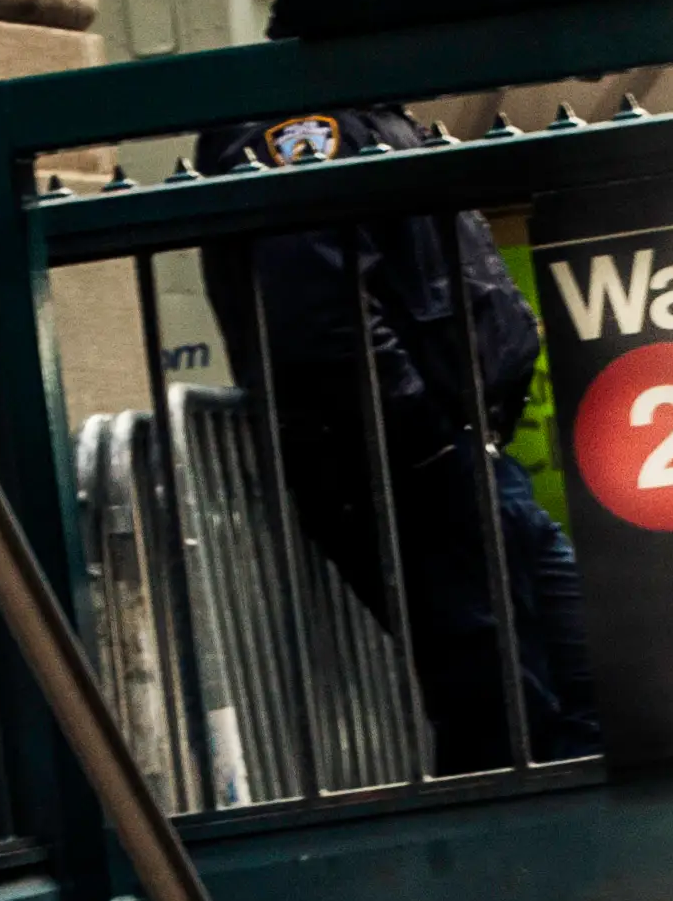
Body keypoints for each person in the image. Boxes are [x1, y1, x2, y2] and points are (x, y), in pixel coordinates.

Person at [197, 105, 597, 777]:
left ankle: (587, 868)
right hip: (416, 472)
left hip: (468, 458)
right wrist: (431, 444)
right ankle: (525, 873)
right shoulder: (303, 122)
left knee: (587, 679)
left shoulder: (369, 111)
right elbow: (320, 321)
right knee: (503, 717)